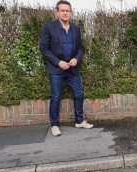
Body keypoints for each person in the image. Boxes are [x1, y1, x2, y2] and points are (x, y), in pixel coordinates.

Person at [39, 0, 93, 136]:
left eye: (67, 10)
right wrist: (58, 62)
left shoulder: (76, 29)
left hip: (72, 69)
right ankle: (54, 125)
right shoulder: (49, 27)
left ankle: (80, 121)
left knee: (79, 94)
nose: (64, 13)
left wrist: (76, 59)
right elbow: (43, 48)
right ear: (57, 12)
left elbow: (80, 48)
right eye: (62, 10)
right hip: (56, 69)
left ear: (71, 13)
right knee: (56, 97)